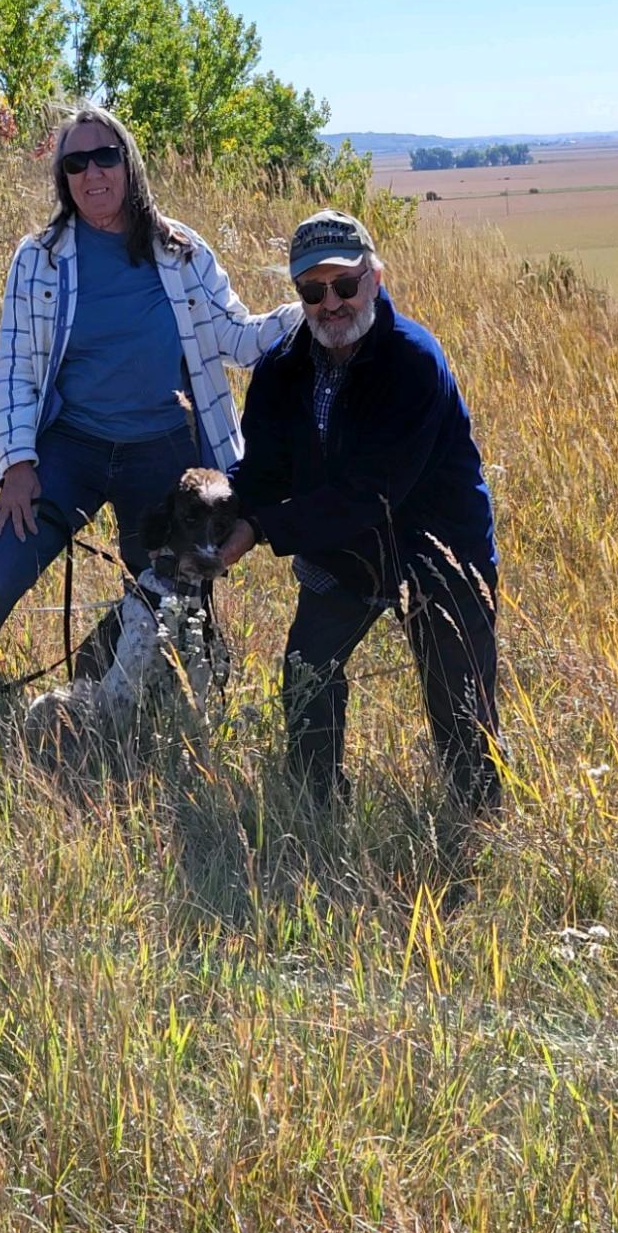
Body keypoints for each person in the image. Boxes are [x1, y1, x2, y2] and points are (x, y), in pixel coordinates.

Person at [0, 106, 298, 712]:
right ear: (63, 178)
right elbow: (16, 365)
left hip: (164, 452)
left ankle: (101, 696)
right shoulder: (39, 258)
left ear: (129, 164)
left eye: (105, 157)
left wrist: (313, 304)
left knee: (173, 593)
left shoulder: (180, 249)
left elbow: (237, 338)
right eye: (76, 162)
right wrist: (19, 463)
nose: (92, 172)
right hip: (68, 448)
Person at [220, 210, 501, 813]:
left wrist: (258, 530)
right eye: (312, 291)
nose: (331, 304)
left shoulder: (414, 362)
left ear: (375, 278)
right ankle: (316, 807)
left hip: (439, 552)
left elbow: (371, 493)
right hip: (343, 553)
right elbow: (263, 470)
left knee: (459, 701)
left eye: (344, 285)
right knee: (306, 675)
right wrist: (216, 508)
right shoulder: (279, 369)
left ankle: (478, 822)